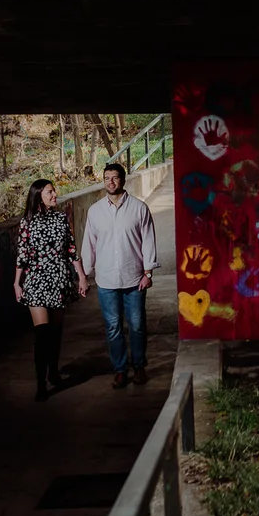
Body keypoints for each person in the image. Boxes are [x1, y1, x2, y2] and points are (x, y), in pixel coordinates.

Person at [81, 163, 157, 388]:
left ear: (123, 180)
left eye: (115, 178)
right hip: (106, 280)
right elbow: (89, 245)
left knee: (137, 325)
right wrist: (84, 275)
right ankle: (120, 369)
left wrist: (148, 272)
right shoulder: (95, 211)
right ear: (103, 181)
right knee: (113, 327)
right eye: (106, 178)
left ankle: (139, 367)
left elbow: (148, 241)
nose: (110, 182)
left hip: (134, 278)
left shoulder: (139, 208)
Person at [14, 179, 88, 402]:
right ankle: (40, 383)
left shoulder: (60, 218)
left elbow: (71, 249)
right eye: (50, 192)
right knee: (42, 333)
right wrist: (16, 282)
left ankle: (53, 370)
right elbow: (22, 254)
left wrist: (81, 276)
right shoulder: (27, 222)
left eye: (54, 191)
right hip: (36, 281)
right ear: (38, 195)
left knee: (55, 332)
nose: (55, 195)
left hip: (58, 279)